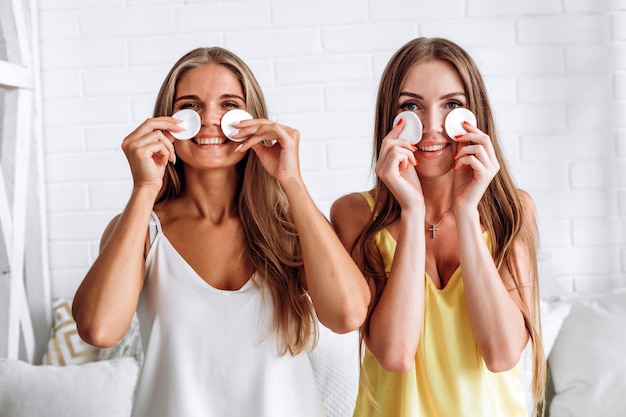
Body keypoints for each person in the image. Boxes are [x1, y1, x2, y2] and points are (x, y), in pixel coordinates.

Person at [72, 46, 370, 417]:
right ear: (167, 121)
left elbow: (348, 315)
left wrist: (290, 180)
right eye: (191, 106)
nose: (211, 119)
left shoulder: (290, 226)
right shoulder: (141, 230)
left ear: (253, 118)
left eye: (229, 104)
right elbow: (98, 329)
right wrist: (144, 189)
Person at [331, 37, 546, 417]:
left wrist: (467, 212)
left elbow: (500, 354)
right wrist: (412, 212)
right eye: (411, 106)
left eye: (452, 105)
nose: (432, 127)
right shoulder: (355, 214)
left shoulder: (513, 210)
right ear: (390, 119)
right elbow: (395, 353)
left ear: (475, 114)